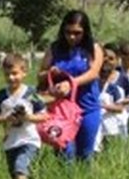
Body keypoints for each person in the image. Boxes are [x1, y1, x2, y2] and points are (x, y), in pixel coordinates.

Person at [39, 10, 104, 161]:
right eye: (68, 32)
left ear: (85, 32)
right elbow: (41, 74)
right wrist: (51, 72)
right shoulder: (54, 48)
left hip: (87, 107)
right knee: (63, 150)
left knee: (85, 153)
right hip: (61, 110)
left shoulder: (93, 49)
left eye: (77, 32)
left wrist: (72, 83)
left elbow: (93, 73)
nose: (72, 37)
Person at [0, 53, 47, 179]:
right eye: (7, 74)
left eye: (15, 73)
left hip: (29, 140)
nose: (11, 78)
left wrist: (27, 117)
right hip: (10, 142)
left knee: (20, 167)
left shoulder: (31, 93)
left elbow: (44, 116)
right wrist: (6, 118)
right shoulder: (1, 96)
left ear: (24, 73)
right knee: (15, 174)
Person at [97, 48, 129, 152]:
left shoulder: (113, 89)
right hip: (97, 123)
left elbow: (120, 108)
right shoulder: (93, 87)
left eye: (105, 75)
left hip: (110, 122)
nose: (103, 78)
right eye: (101, 74)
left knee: (110, 147)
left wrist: (103, 106)